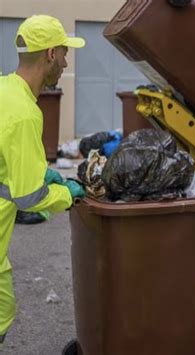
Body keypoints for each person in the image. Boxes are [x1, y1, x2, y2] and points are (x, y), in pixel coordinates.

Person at [0, 15, 86, 349]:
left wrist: (39, 174)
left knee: (4, 309)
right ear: (50, 54)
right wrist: (66, 193)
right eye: (65, 54)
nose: (65, 63)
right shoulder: (24, 113)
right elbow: (30, 197)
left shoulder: (4, 89)